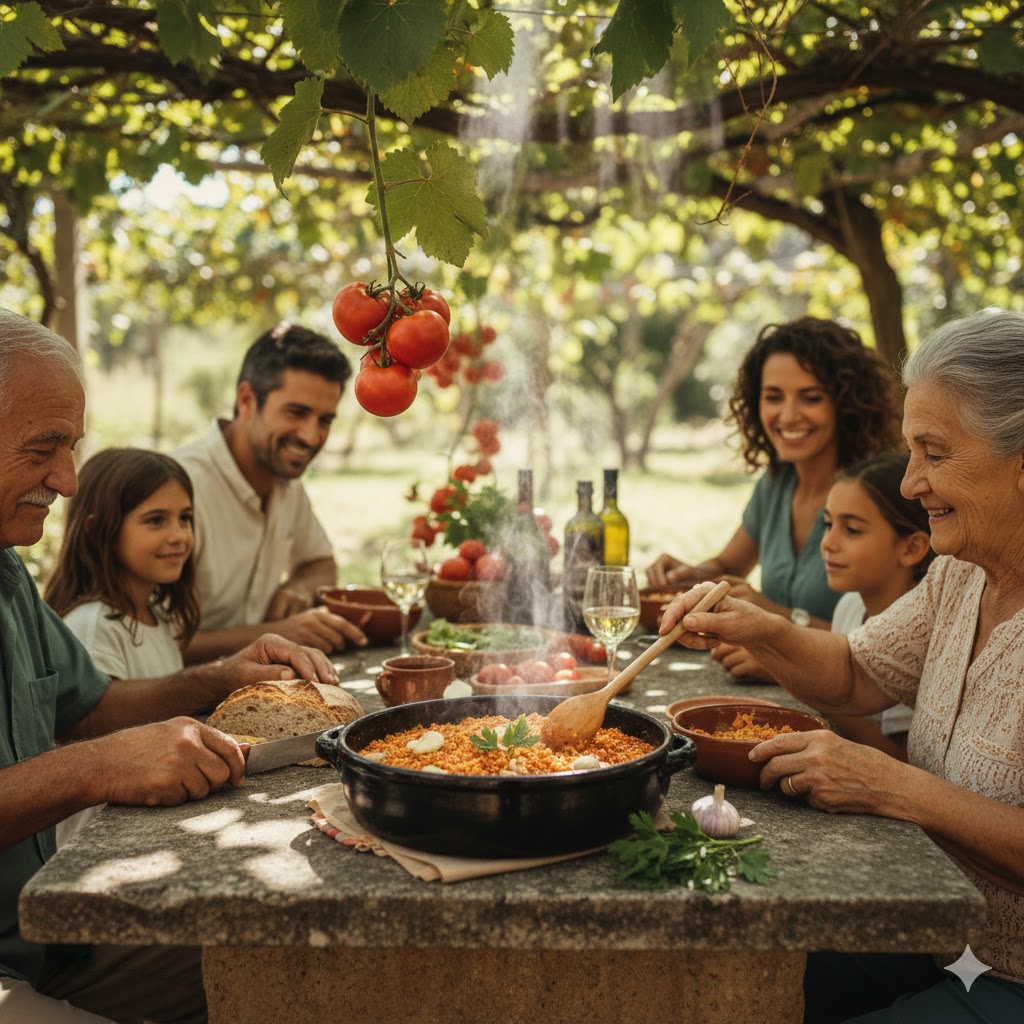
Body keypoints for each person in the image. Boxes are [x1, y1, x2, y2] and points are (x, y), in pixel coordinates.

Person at [660, 307, 1024, 1022]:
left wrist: (898, 788)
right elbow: (857, 673)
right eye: (909, 452)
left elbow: (891, 772)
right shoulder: (963, 573)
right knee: (708, 972)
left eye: (936, 454)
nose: (913, 483)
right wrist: (761, 628)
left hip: (1006, 977)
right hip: (929, 934)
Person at [0, 308, 339, 1023]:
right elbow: (96, 745)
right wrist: (99, 767)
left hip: (58, 932)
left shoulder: (8, 575)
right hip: (18, 961)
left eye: (72, 448)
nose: (66, 479)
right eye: (42, 449)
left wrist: (221, 677)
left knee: (320, 960)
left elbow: (90, 703)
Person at [647, 316, 900, 681]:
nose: (788, 415)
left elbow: (892, 643)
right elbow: (727, 568)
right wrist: (693, 575)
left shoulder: (877, 494)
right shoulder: (777, 482)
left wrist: (780, 644)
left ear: (846, 404)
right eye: (773, 397)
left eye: (811, 398)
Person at [173, 322, 367, 662]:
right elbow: (149, 647)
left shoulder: (285, 482)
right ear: (247, 400)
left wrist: (300, 587)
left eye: (325, 420)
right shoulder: (179, 488)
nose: (311, 436)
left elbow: (320, 563)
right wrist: (278, 636)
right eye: (297, 412)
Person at [43, 447, 200, 844]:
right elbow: (94, 734)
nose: (178, 535)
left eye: (185, 518)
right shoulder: (94, 625)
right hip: (99, 837)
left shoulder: (157, 614)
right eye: (155, 520)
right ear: (99, 531)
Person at [820, 451, 933, 761]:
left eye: (852, 530)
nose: (828, 542)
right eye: (828, 524)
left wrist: (823, 694)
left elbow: (904, 762)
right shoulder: (849, 606)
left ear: (912, 548)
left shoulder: (919, 633)